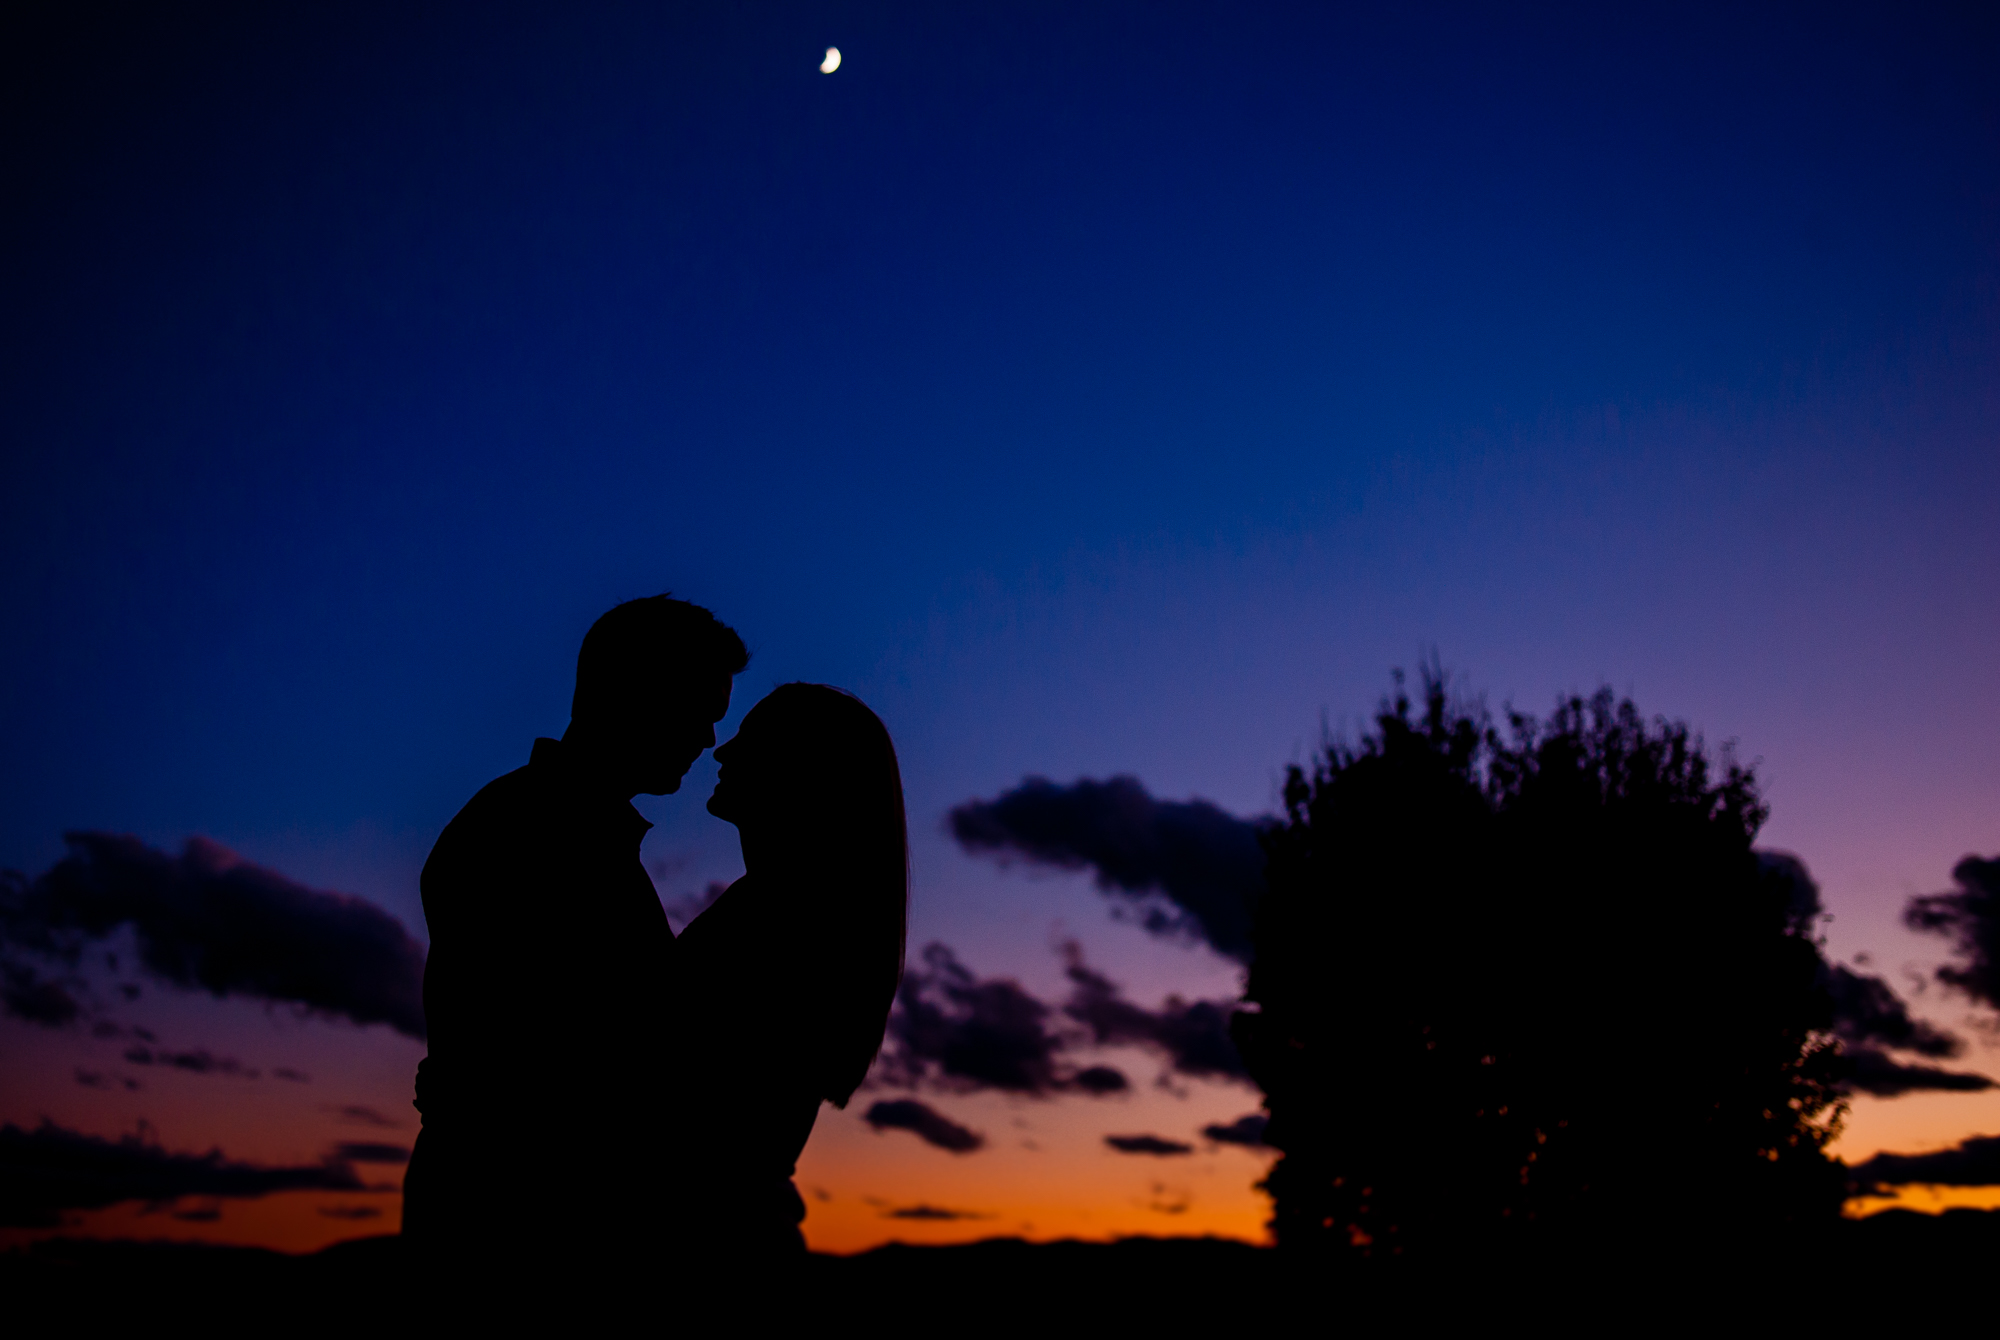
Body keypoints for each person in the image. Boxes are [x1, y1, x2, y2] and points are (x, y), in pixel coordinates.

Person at [401, 594, 748, 1290]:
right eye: (701, 712)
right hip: (520, 1241)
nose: (710, 740)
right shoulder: (530, 834)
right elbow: (563, 1071)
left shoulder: (569, 830)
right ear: (636, 692)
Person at [666, 683, 909, 1260]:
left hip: (714, 1244)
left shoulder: (783, 919)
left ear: (804, 772)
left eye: (751, 741)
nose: (722, 753)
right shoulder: (789, 909)